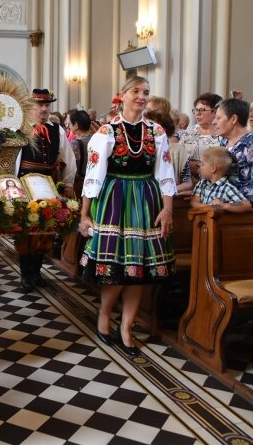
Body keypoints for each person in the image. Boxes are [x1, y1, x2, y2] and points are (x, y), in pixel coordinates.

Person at [79, 76, 176, 357]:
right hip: (114, 201)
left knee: (139, 270)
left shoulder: (156, 131)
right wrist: (85, 215)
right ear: (122, 95)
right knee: (116, 270)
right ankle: (105, 316)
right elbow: (92, 178)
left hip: (146, 200)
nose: (141, 97)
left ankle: (127, 326)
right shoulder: (106, 132)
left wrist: (167, 209)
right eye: (135, 91)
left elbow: (166, 175)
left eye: (146, 92)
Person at [16, 88, 76, 293]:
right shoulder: (21, 127)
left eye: (47, 105)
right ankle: (26, 274)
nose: (44, 109)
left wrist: (68, 184)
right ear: (30, 107)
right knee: (27, 230)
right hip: (25, 183)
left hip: (48, 183)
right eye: (40, 105)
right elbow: (13, 159)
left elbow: (68, 157)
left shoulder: (56, 130)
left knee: (46, 228)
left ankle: (37, 271)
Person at [213, 98, 253, 207]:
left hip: (247, 213)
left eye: (218, 118)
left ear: (233, 119)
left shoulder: (252, 143)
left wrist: (237, 203)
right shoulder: (224, 141)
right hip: (224, 208)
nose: (214, 122)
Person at [144, 108, 192, 193]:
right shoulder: (138, 148)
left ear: (163, 129)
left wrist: (168, 192)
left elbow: (187, 183)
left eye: (150, 126)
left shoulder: (178, 150)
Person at [190, 146, 251, 212]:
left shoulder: (227, 188)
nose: (199, 168)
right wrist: (211, 208)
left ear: (213, 168)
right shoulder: (201, 184)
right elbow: (194, 202)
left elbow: (246, 205)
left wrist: (224, 206)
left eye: (202, 165)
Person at [179, 92, 222, 181]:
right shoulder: (188, 133)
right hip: (186, 182)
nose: (197, 114)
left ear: (215, 112)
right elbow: (179, 157)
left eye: (202, 110)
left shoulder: (223, 136)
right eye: (196, 110)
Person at [67, 109, 92, 196]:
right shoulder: (95, 139)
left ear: (76, 125)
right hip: (93, 183)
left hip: (79, 184)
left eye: (70, 123)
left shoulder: (75, 143)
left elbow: (69, 166)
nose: (69, 126)